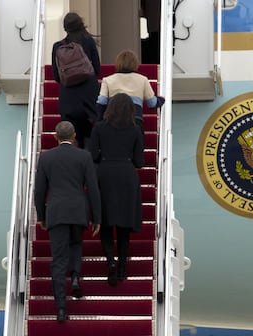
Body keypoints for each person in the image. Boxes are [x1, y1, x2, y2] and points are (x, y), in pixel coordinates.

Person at [34, 121, 101, 322]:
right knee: (76, 243)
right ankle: (74, 277)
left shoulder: (46, 157)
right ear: (73, 137)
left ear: (56, 137)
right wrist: (96, 217)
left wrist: (41, 216)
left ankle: (61, 308)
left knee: (58, 260)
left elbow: (39, 191)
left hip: (56, 212)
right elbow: (93, 188)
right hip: (78, 210)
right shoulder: (84, 156)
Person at [89, 93, 145, 287]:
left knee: (105, 223)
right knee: (123, 226)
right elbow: (140, 161)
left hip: (104, 174)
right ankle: (122, 266)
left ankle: (110, 262)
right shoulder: (136, 129)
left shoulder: (99, 128)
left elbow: (93, 155)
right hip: (127, 175)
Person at [51, 12, 101, 148]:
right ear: (80, 24)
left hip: (68, 96)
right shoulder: (89, 41)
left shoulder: (57, 47)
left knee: (70, 134)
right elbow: (97, 69)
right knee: (92, 130)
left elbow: (56, 76)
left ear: (65, 28)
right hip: (89, 94)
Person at [96, 49, 164, 131]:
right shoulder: (142, 79)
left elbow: (102, 101)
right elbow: (152, 103)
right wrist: (162, 99)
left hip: (112, 119)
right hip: (135, 118)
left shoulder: (107, 80)